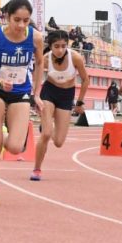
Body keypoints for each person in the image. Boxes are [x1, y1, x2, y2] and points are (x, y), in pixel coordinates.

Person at [0, 0, 44, 207]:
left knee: (15, 148)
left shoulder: (36, 38)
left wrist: (37, 94)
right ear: (7, 17)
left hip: (20, 92)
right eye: (17, 20)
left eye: (26, 20)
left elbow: (40, 64)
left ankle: (6, 134)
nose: (21, 25)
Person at [31, 29, 89, 181]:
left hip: (66, 96)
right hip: (49, 92)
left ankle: (46, 126)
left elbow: (85, 80)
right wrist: (35, 96)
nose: (60, 50)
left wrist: (79, 102)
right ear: (50, 46)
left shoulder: (75, 58)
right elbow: (35, 77)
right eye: (56, 46)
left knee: (58, 142)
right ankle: (37, 169)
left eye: (63, 46)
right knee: (46, 134)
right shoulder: (45, 59)